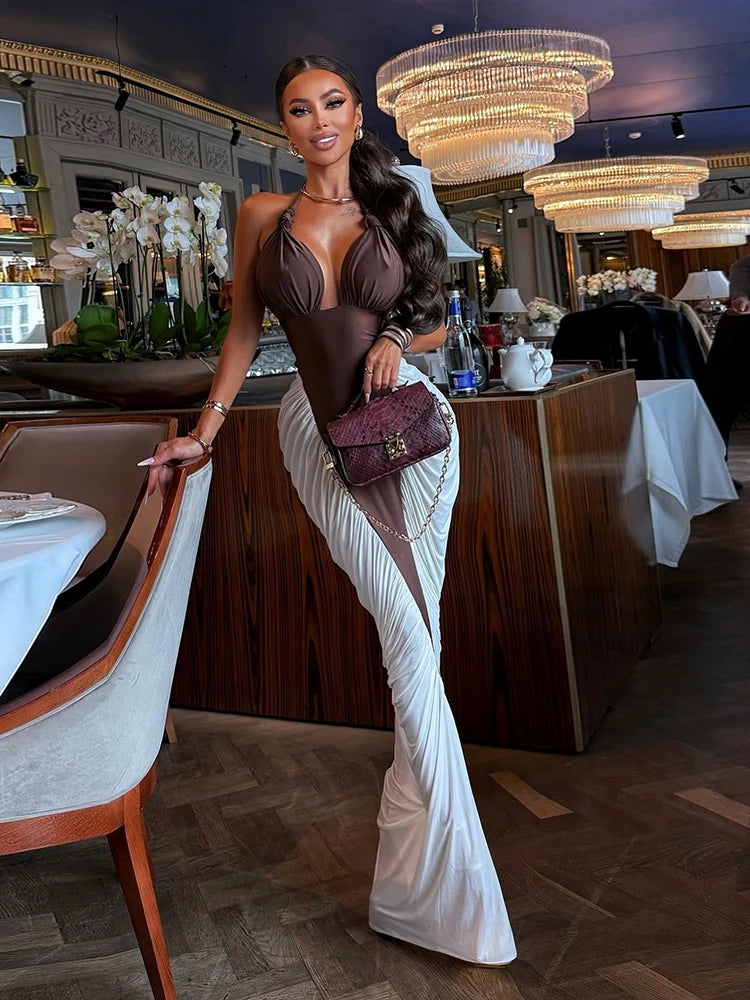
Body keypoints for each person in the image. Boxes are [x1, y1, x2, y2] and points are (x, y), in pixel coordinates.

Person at [141, 54, 515, 966]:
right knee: (404, 627)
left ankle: (431, 888)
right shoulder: (263, 216)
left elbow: (436, 314)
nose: (319, 121)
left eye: (334, 103)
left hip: (411, 431)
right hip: (317, 433)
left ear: (355, 114)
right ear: (285, 125)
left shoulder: (395, 203)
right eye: (300, 109)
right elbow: (242, 330)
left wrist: (396, 337)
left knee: (419, 629)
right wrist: (205, 434)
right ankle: (443, 889)